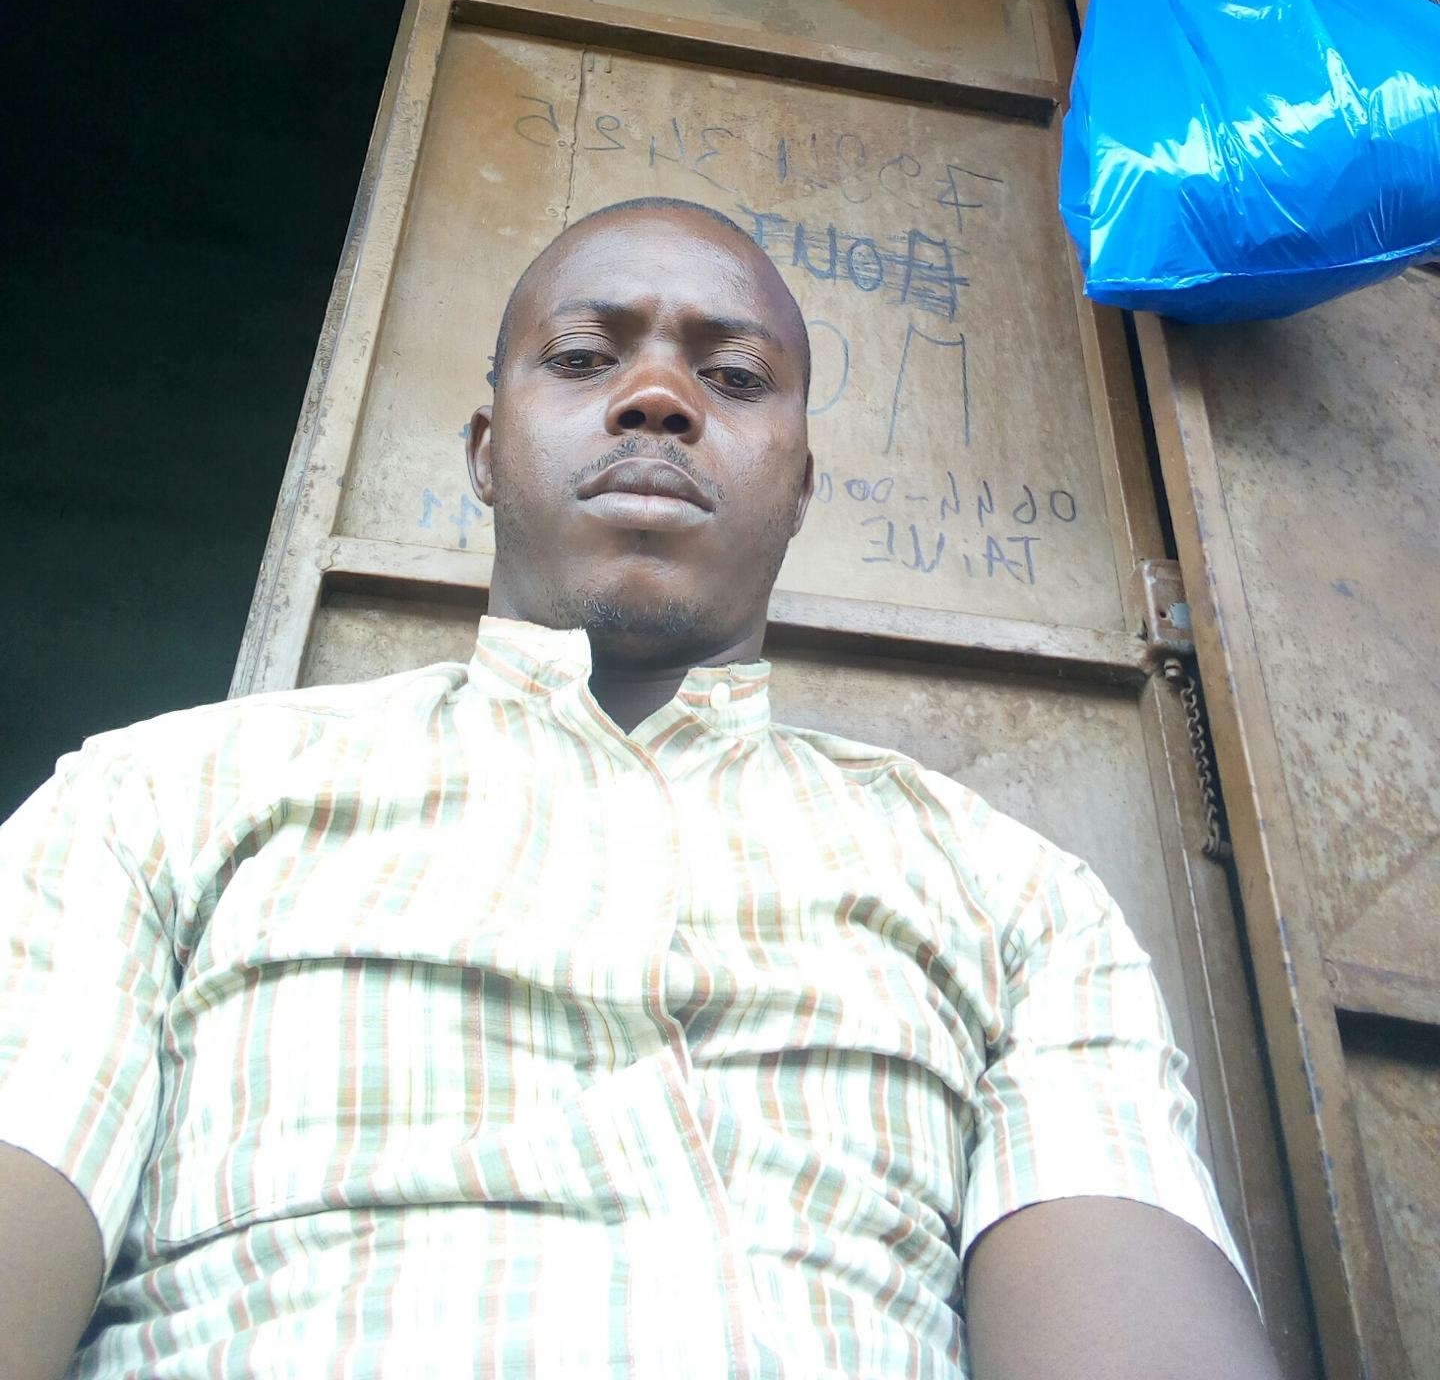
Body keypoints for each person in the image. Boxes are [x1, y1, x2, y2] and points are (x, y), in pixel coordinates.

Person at [0, 198, 1281, 1379]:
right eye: (581, 358)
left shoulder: (1015, 902)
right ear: (487, 452)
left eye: (734, 379)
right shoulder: (159, 805)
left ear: (800, 489)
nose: (657, 399)